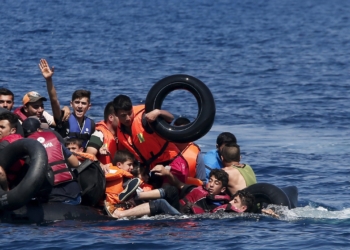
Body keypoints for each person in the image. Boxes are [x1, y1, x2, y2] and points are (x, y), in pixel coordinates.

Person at [111, 167, 254, 218]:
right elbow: (179, 185)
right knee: (171, 190)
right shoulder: (199, 189)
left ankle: (121, 214)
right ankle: (137, 195)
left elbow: (239, 211)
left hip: (185, 217)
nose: (211, 185)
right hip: (179, 209)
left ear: (222, 189)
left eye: (216, 183)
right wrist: (167, 173)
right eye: (210, 180)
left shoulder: (222, 201)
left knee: (160, 203)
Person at [112, 94, 188, 188]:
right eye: (123, 115)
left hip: (172, 161)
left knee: (167, 191)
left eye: (130, 113)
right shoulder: (120, 131)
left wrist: (158, 112)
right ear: (116, 114)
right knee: (148, 191)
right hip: (153, 167)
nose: (128, 118)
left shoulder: (144, 119)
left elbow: (170, 118)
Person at [22, 118, 82, 205]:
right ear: (40, 129)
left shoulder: (24, 146)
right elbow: (75, 163)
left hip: (52, 198)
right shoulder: (54, 139)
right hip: (74, 194)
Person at [39, 59, 94, 148]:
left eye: (83, 103)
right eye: (77, 102)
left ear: (89, 106)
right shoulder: (64, 119)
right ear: (71, 104)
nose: (80, 106)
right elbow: (54, 100)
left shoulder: (91, 124)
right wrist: (49, 80)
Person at [104, 150, 141, 215]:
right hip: (112, 206)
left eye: (132, 165)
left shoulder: (113, 171)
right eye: (129, 165)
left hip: (115, 206)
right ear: (119, 164)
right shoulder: (110, 171)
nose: (132, 167)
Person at [173, 116, 206, 185]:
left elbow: (202, 181)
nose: (179, 134)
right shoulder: (165, 147)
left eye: (183, 131)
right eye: (176, 131)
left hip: (188, 190)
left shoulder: (196, 153)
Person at [0, 112, 24, 191]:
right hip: (23, 185)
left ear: (13, 130)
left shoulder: (4, 144)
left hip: (12, 187)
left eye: (2, 127)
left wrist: (6, 191)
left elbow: (0, 173)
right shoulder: (21, 139)